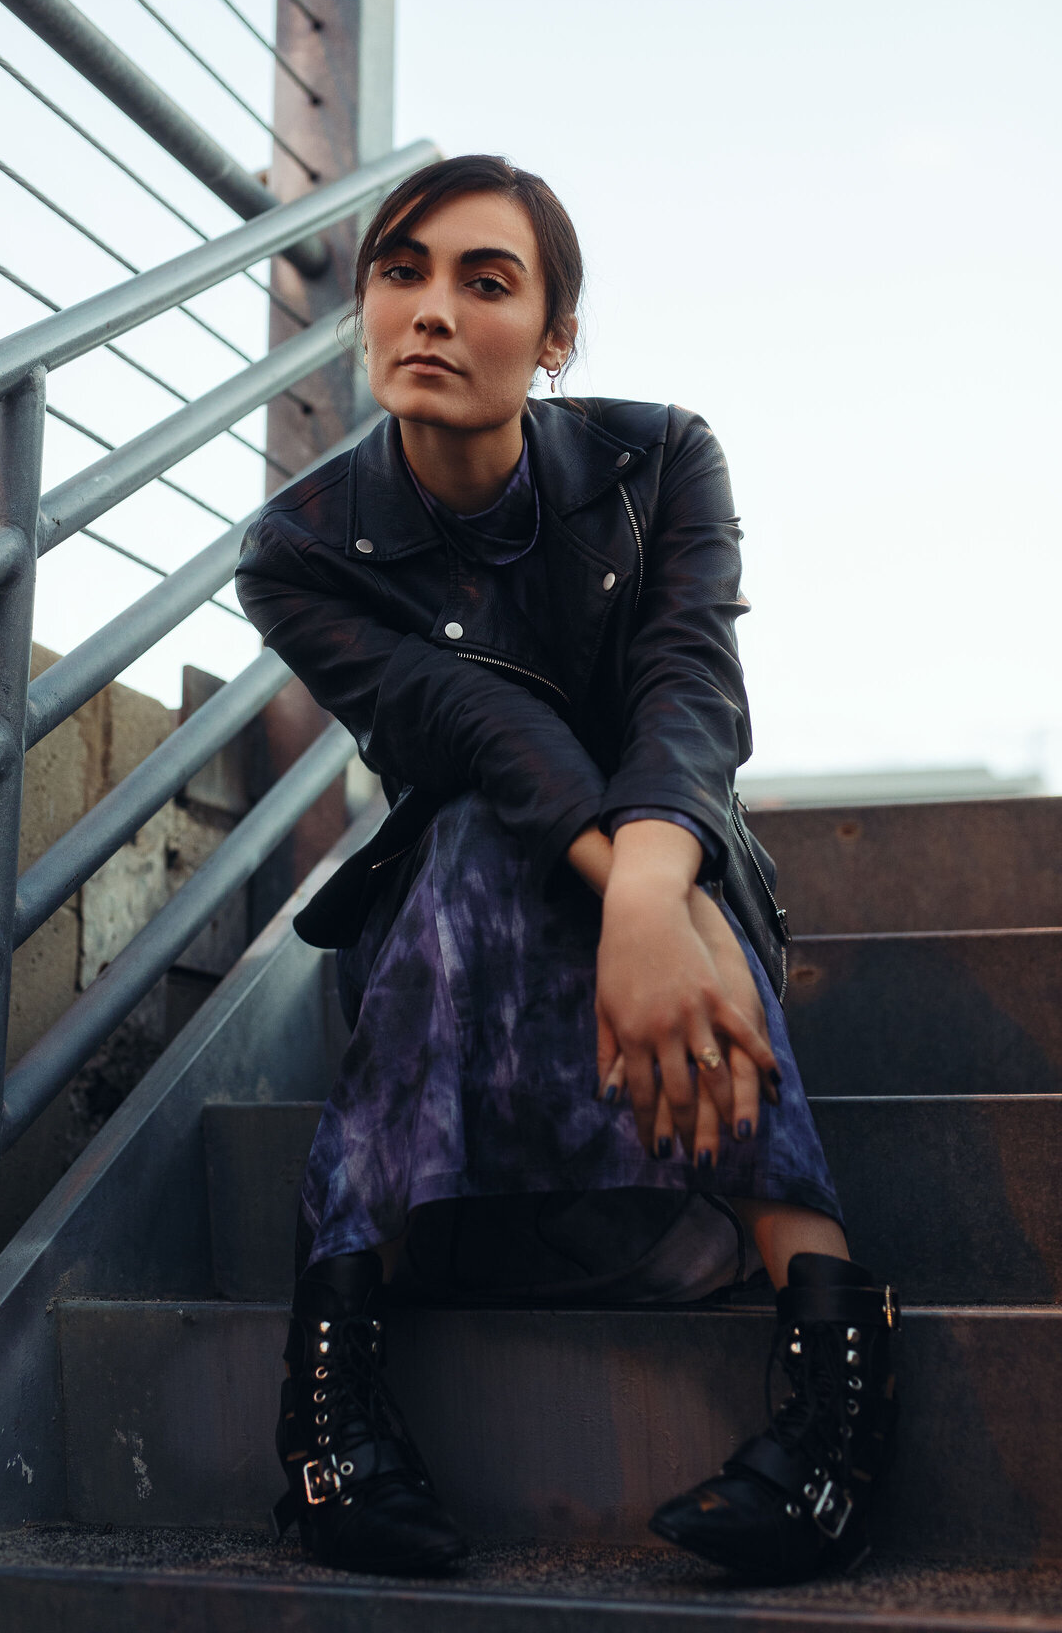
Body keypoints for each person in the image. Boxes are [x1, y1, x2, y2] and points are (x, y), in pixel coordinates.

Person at [235, 154, 899, 1583]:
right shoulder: (300, 550)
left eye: (487, 282)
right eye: (400, 274)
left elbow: (688, 693)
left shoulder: (663, 461)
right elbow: (473, 723)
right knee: (480, 832)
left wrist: (663, 891)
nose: (431, 312)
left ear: (554, 340)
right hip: (463, 933)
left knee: (691, 882)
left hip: (670, 867)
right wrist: (637, 899)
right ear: (362, 313)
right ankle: (332, 1413)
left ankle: (839, 1405)